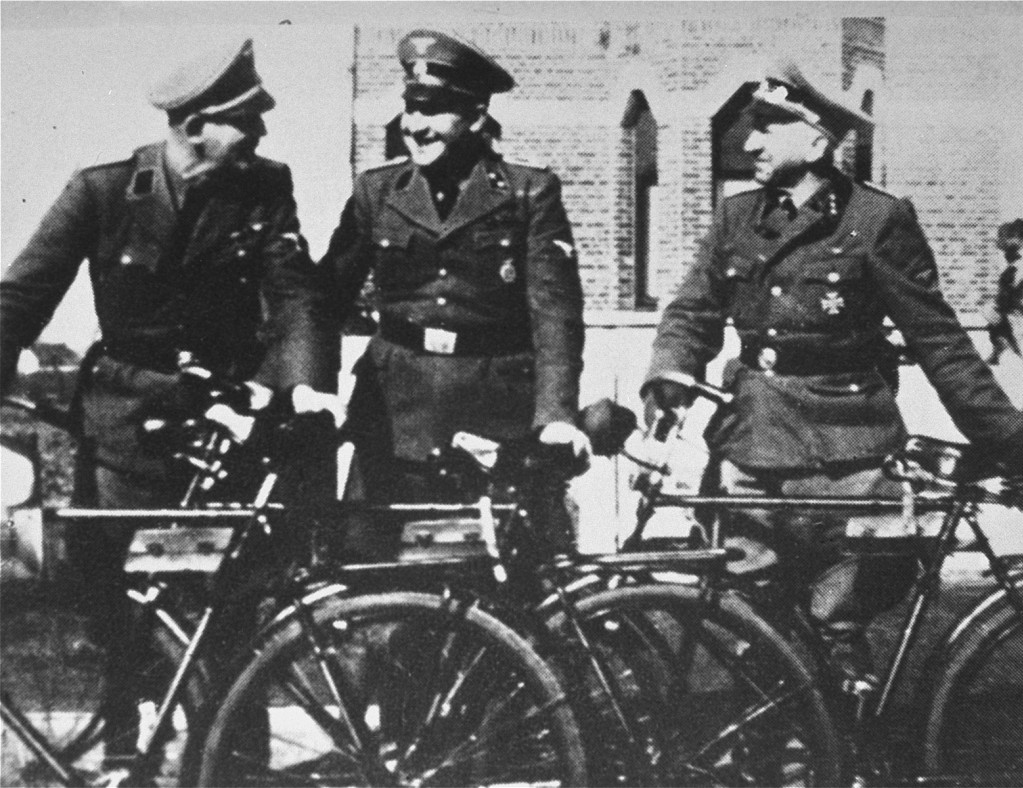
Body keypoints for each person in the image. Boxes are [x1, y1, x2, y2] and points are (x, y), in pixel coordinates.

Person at [642, 61, 1023, 692]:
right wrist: (672, 370)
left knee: (833, 629)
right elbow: (692, 309)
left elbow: (941, 344)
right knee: (753, 628)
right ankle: (769, 760)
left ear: (817, 143)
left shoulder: (877, 221)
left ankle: (837, 760)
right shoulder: (737, 217)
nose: (749, 143)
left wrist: (1007, 437)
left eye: (768, 126)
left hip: (849, 459)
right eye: (750, 126)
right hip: (750, 448)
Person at [0, 37, 328, 770]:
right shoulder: (102, 192)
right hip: (122, 433)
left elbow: (294, 291)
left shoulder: (264, 187)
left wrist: (302, 384)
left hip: (223, 429)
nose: (262, 136)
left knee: (229, 613)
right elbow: (20, 299)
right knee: (119, 615)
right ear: (194, 126)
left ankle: (234, 770)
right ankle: (125, 760)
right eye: (246, 121)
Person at [316, 29, 588, 562]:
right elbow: (321, 298)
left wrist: (555, 416)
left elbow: (555, 314)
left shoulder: (530, 192)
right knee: (371, 572)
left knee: (498, 577)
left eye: (436, 110)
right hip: (393, 413)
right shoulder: (377, 192)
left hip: (492, 414)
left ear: (477, 116)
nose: (416, 126)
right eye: (411, 109)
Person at [985, 218, 1023, 364]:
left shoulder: (1018, 268)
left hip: (1017, 316)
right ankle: (998, 349)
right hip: (1011, 314)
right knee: (990, 310)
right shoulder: (1010, 268)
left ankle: (1000, 348)